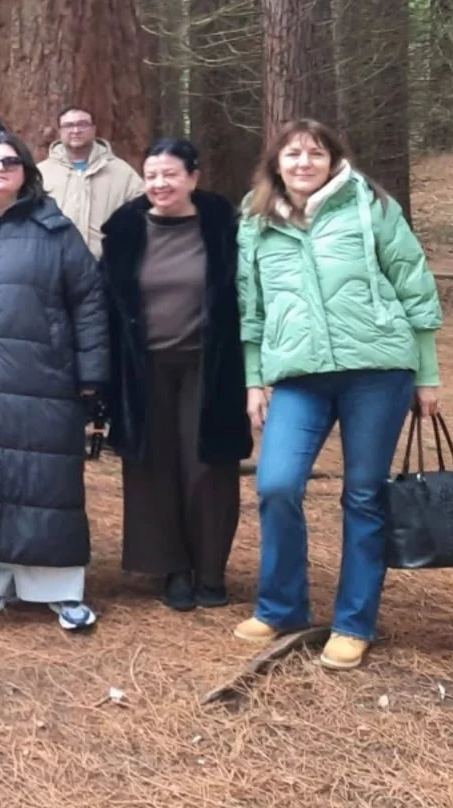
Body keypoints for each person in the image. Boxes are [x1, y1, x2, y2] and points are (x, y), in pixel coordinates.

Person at [235, 119, 442, 670]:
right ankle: (282, 606)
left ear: (333, 160)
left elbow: (413, 282)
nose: (304, 163)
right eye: (292, 154)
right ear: (276, 163)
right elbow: (251, 306)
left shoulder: (370, 205)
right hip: (298, 374)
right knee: (277, 484)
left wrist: (427, 374)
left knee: (364, 494)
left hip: (377, 370)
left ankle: (354, 622)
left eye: (315, 153)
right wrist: (254, 379)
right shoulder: (256, 219)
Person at [0, 134, 107, 632]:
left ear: (26, 171)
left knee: (43, 481)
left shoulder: (55, 231)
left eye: (9, 161)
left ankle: (60, 589)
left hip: (42, 377)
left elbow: (89, 302)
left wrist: (92, 373)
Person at [101, 139, 251, 612]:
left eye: (169, 174)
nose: (160, 184)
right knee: (153, 467)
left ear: (193, 177)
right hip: (143, 368)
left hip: (211, 365)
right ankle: (172, 569)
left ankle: (210, 570)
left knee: (209, 467)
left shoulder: (225, 227)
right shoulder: (124, 231)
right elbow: (106, 305)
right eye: (151, 176)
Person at [34, 106, 143, 259]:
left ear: (93, 129)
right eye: (68, 125)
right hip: (54, 263)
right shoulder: (41, 173)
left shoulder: (122, 172)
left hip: (106, 263)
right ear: (60, 132)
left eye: (82, 124)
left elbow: (144, 211)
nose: (76, 130)